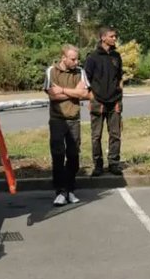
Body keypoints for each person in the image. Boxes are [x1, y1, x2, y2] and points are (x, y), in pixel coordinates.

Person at [44, 44, 90, 206]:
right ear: (63, 58)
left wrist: (62, 90)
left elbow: (85, 94)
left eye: (77, 58)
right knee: (58, 155)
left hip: (74, 119)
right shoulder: (52, 71)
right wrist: (73, 92)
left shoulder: (80, 72)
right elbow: (52, 96)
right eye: (73, 59)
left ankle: (70, 189)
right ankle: (61, 191)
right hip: (57, 119)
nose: (76, 61)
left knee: (73, 155)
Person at [84, 26, 124, 176]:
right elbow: (86, 79)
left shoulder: (116, 56)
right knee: (96, 135)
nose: (115, 39)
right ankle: (98, 165)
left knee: (115, 134)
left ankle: (114, 163)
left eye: (115, 36)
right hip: (98, 101)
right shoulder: (92, 57)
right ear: (103, 38)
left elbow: (120, 77)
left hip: (115, 101)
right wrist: (91, 96)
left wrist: (120, 94)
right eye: (112, 36)